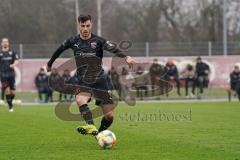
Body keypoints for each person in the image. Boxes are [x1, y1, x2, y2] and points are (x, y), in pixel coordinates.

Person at [46, 14, 135, 136]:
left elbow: (113, 48)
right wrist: (50, 64)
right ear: (79, 25)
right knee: (80, 99)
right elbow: (59, 50)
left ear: (91, 25)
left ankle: (99, 133)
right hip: (83, 80)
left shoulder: (98, 41)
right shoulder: (72, 41)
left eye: (87, 26)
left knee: (109, 116)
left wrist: (126, 56)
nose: (85, 29)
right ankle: (90, 125)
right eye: (83, 26)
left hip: (100, 80)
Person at [0, 38, 19, 112]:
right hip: (3, 75)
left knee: (12, 93)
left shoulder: (12, 52)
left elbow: (17, 60)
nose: (5, 43)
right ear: (1, 44)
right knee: (7, 90)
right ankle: (10, 107)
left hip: (11, 74)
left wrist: (14, 64)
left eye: (6, 42)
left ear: (8, 43)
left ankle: (9, 101)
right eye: (4, 42)